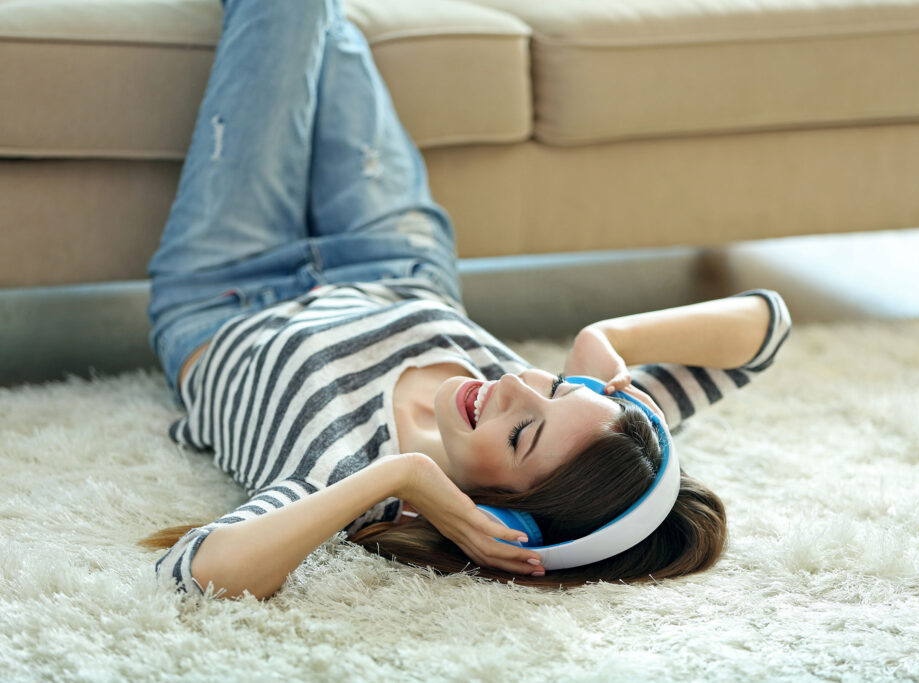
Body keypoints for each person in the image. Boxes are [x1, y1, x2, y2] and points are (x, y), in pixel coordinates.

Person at [138, 0, 792, 601]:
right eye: (556, 387)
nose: (511, 384)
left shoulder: (347, 478)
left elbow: (197, 573)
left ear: (503, 515)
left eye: (522, 432)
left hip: (225, 290)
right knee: (321, 20)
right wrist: (610, 340)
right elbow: (764, 332)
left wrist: (407, 475)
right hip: (394, 258)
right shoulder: (596, 446)